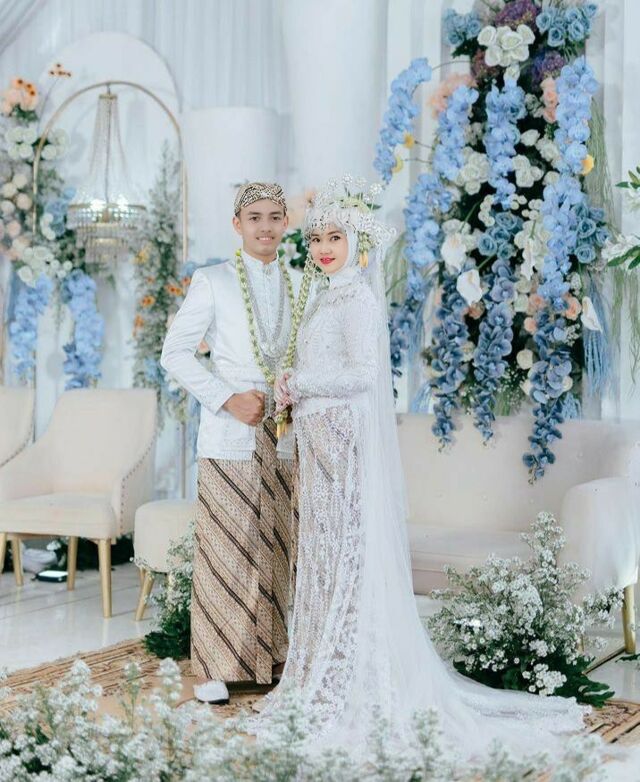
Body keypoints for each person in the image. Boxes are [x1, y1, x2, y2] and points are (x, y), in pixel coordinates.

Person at [247, 178, 589, 764]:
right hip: (320, 444)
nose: (324, 248)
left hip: (344, 446)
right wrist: (292, 385)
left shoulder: (358, 300)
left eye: (336, 238)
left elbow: (361, 374)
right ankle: (320, 674)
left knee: (346, 558)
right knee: (324, 559)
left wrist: (298, 382)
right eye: (319, 238)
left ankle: (348, 677)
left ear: (357, 243)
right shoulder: (326, 296)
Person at [161, 182, 301, 704]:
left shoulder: (302, 281)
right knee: (228, 545)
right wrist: (227, 398)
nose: (265, 226)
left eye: (274, 216)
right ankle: (214, 668)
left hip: (285, 430)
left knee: (281, 544)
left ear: (286, 223)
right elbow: (175, 354)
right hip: (231, 433)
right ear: (237, 224)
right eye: (254, 217)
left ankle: (274, 655)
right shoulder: (214, 280)